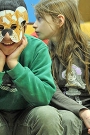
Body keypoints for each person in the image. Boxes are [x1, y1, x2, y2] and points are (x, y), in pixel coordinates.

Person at [0, 0, 64, 134]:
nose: (7, 37)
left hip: (28, 116)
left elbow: (43, 98)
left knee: (48, 114)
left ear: (23, 27)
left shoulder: (37, 48)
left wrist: (14, 64)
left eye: (14, 27)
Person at [33, 0, 90, 134]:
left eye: (40, 19)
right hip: (63, 113)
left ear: (59, 21)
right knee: (67, 120)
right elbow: (52, 91)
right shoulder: (42, 53)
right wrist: (83, 112)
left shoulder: (87, 50)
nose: (34, 25)